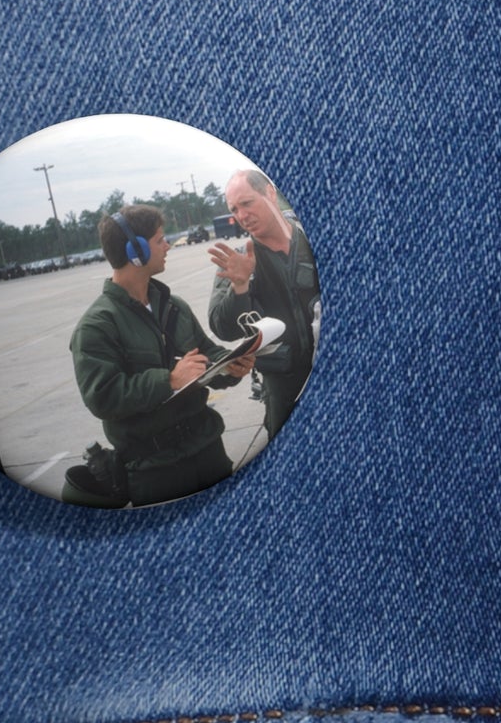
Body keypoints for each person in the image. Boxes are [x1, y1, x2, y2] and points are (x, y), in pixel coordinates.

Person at [67, 205, 255, 507]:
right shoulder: (96, 326)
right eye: (159, 240)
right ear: (136, 251)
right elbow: (101, 396)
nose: (167, 245)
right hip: (155, 472)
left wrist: (232, 365)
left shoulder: (174, 306)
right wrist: (168, 380)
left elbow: (206, 353)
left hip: (208, 451)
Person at [207, 170, 320, 439]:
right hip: (284, 388)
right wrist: (240, 286)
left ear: (270, 193)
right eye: (235, 209)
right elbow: (222, 327)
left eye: (247, 203)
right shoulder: (239, 262)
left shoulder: (310, 243)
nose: (242, 215)